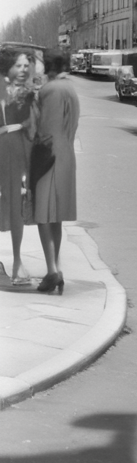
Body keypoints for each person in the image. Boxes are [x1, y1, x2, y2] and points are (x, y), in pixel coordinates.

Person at [32, 49, 80, 295]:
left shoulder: (50, 90)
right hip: (66, 155)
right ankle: (56, 266)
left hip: (48, 156)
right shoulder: (70, 88)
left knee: (42, 214)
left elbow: (45, 131)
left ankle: (52, 271)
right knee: (56, 215)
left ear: (49, 66)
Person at [0, 47, 37, 285]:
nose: (23, 70)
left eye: (26, 66)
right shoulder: (24, 93)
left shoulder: (21, 91)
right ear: (8, 67)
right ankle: (16, 263)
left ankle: (15, 262)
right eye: (19, 65)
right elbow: (33, 128)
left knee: (11, 201)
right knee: (15, 202)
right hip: (13, 147)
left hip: (10, 144)